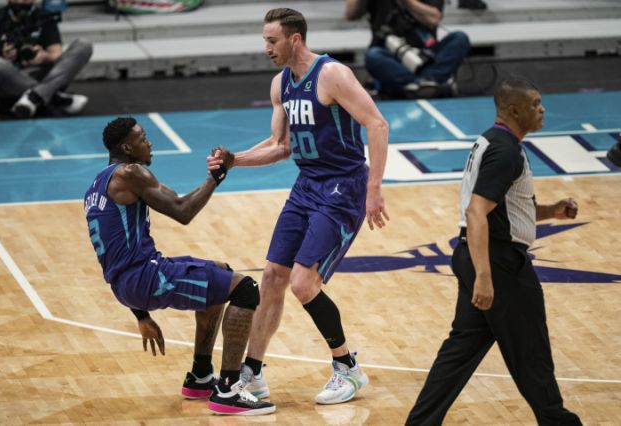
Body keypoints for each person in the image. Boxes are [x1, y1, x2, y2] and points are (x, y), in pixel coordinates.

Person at [207, 7, 389, 405]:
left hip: (343, 188)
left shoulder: (332, 75)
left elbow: (377, 124)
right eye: (264, 41)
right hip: (307, 186)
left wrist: (374, 189)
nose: (266, 48)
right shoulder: (281, 85)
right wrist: (234, 159)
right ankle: (252, 375)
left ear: (295, 39)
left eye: (272, 41)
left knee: (304, 284)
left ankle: (348, 368)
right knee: (272, 276)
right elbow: (281, 146)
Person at [405, 78, 582, 425]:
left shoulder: (494, 142)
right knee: (532, 354)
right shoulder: (505, 152)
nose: (542, 109)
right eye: (535, 103)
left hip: (478, 255)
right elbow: (476, 212)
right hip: (498, 264)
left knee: (458, 353)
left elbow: (505, 210)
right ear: (514, 110)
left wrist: (552, 211)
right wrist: (485, 277)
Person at [84, 117, 276, 416]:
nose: (149, 143)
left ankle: (201, 375)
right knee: (246, 290)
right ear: (126, 147)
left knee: (221, 273)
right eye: (142, 138)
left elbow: (176, 200)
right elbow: (183, 213)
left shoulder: (99, 183)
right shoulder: (132, 172)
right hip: (146, 276)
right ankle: (228, 390)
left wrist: (140, 313)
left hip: (128, 282)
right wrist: (218, 176)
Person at [0, 0, 92, 118]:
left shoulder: (45, 18)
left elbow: (56, 54)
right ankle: (52, 97)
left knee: (83, 45)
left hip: (41, 74)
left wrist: (45, 56)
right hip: (9, 81)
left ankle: (35, 97)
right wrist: (6, 58)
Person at [345, 0, 470, 99]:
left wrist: (408, 2)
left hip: (427, 55)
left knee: (460, 39)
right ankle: (430, 87)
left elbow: (434, 19)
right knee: (373, 56)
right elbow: (350, 14)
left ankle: (420, 84)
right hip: (391, 57)